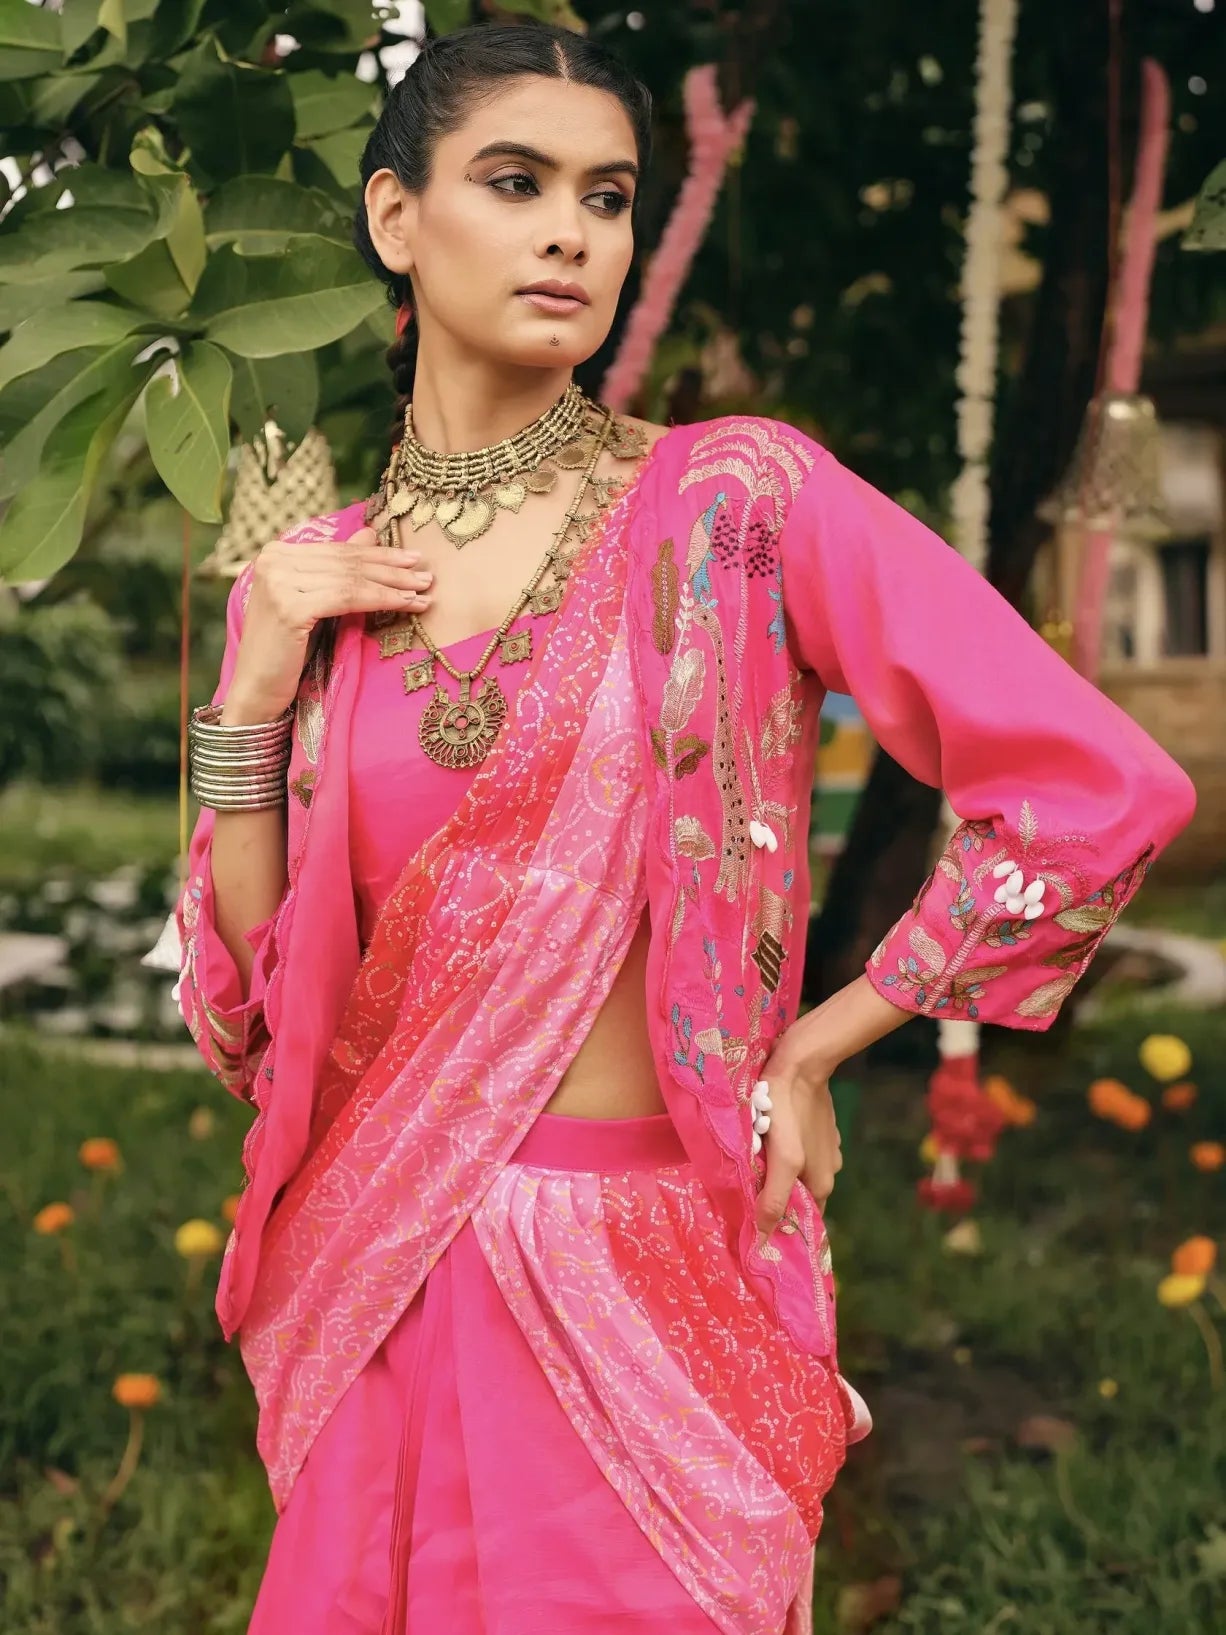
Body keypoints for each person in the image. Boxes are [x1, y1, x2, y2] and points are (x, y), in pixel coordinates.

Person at [175, 20, 1197, 1635]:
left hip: (639, 1296)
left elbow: (1094, 789)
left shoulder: (730, 507)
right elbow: (247, 1017)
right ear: (394, 218)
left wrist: (816, 1046)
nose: (571, 231)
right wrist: (249, 688)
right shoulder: (314, 580)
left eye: (607, 193)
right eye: (514, 184)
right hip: (376, 1290)